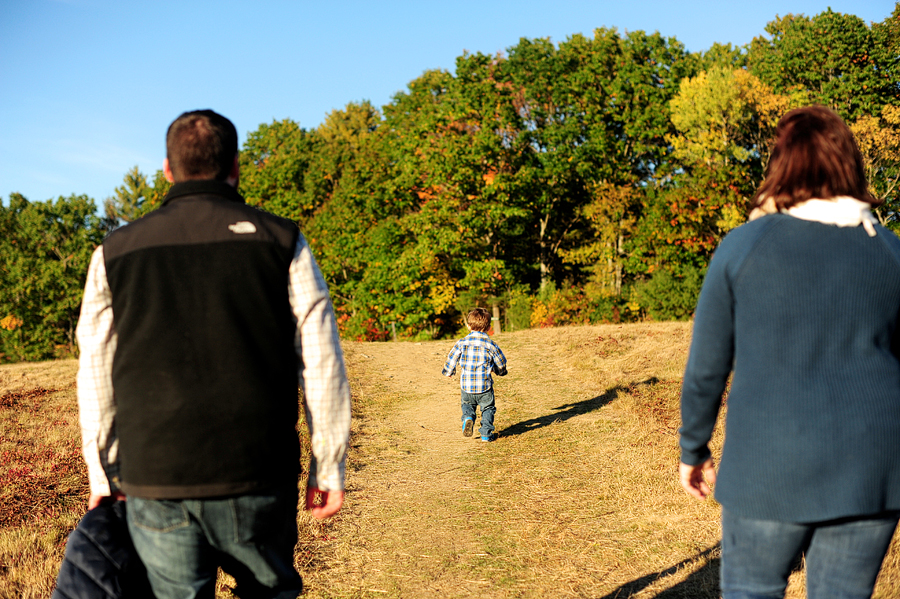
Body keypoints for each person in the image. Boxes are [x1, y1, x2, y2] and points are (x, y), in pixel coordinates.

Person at [76, 109, 352, 599]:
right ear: (236, 166)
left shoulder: (113, 252)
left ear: (167, 170)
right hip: (258, 471)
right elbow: (321, 357)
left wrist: (104, 472)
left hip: (156, 476)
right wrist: (327, 465)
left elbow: (96, 366)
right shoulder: (282, 240)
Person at [679, 105, 900, 599]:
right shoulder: (891, 251)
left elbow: (706, 369)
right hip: (875, 470)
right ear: (851, 165)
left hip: (767, 465)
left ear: (781, 166)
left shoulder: (744, 246)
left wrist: (693, 449)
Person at [441, 307, 508, 442]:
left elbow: (452, 358)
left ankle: (468, 418)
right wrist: (500, 371)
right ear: (489, 327)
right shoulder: (490, 344)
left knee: (467, 404)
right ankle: (486, 434)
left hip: (467, 386)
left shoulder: (462, 343)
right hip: (485, 387)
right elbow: (501, 362)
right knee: (488, 408)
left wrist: (449, 371)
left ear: (468, 326)